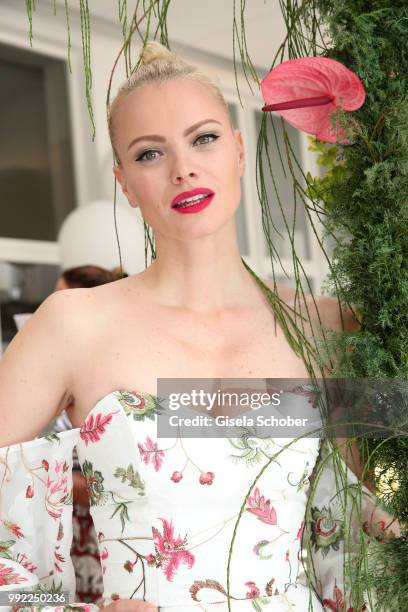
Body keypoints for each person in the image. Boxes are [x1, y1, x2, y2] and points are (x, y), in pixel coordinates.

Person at [0, 42, 398, 611]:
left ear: (238, 151)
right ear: (125, 185)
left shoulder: (325, 325)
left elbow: (371, 515)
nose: (183, 166)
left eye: (203, 137)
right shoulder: (73, 325)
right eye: (148, 154)